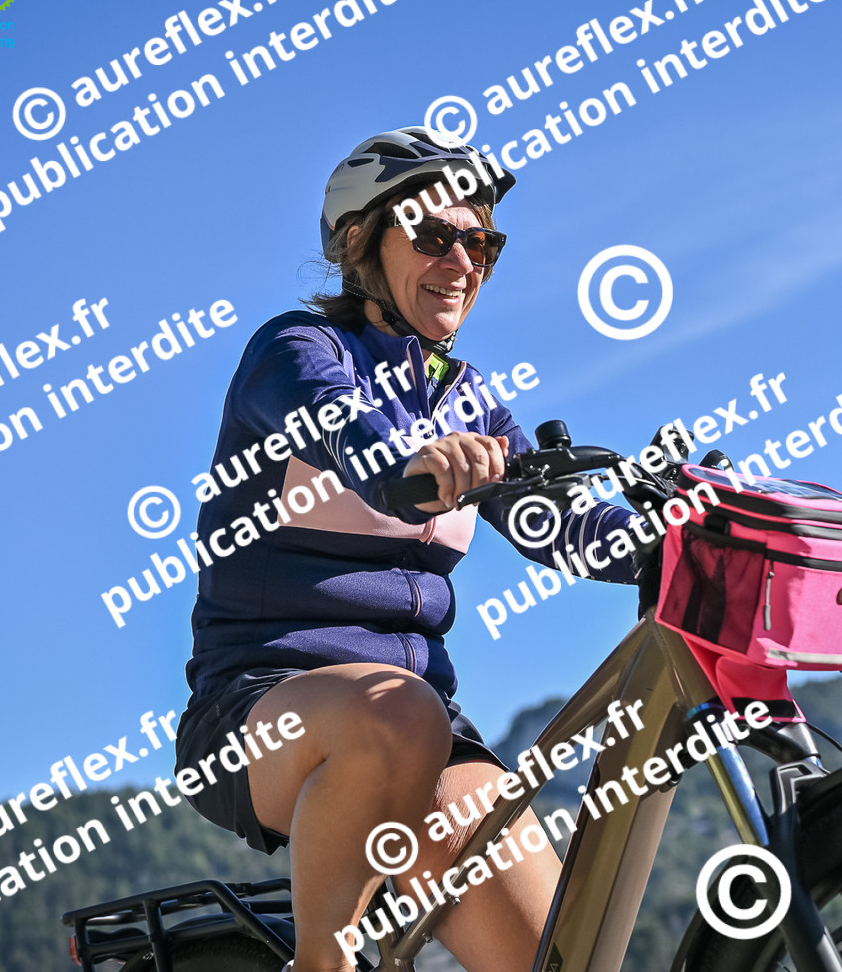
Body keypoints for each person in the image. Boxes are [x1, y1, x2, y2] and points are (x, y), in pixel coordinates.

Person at [174, 127, 639, 972]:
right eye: (433, 235)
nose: (460, 260)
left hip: (425, 727)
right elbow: (346, 432)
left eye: (480, 243)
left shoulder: (471, 401)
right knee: (399, 710)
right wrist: (405, 465)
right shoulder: (296, 352)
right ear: (361, 241)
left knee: (562, 958)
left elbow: (565, 526)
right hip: (259, 708)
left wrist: (680, 533)